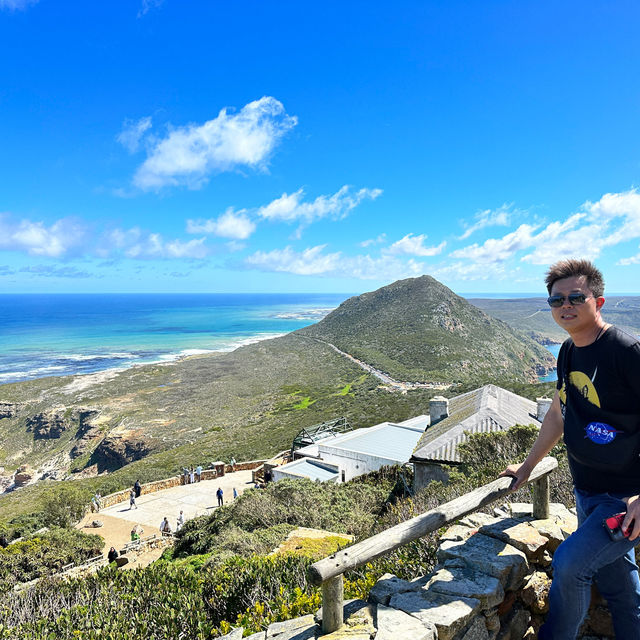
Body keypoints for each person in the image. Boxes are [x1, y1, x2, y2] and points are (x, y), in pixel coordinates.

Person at [500, 259, 640, 639]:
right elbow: (558, 417)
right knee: (620, 587)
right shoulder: (567, 351)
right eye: (556, 299)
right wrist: (527, 466)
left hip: (625, 500)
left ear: (600, 301)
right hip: (587, 492)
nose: (566, 305)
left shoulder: (627, 352)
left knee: (572, 563)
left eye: (577, 296)